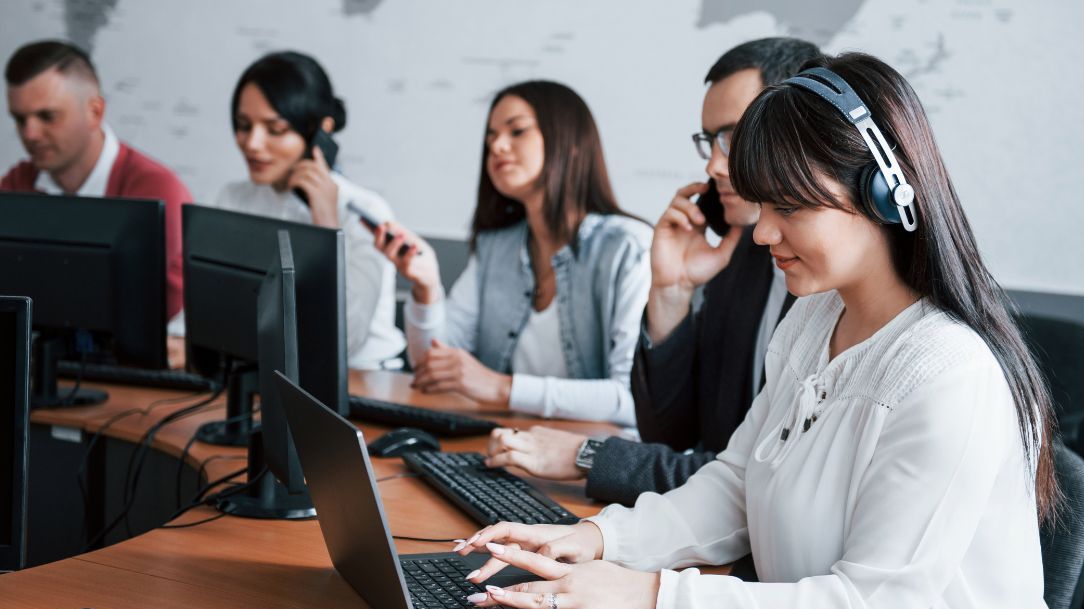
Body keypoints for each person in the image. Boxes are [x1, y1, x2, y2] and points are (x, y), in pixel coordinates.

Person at [452, 53, 1078, 609]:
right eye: (762, 206)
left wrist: (652, 596)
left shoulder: (947, 374)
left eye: (790, 208)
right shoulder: (814, 318)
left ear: (884, 194)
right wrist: (596, 539)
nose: (761, 233)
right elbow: (737, 485)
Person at [484, 38, 820, 504]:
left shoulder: (837, 291)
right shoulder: (741, 256)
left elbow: (757, 484)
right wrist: (671, 292)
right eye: (709, 141)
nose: (713, 164)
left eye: (734, 136)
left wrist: (588, 456)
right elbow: (671, 432)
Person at [374, 80, 650, 427]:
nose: (497, 146)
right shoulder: (496, 245)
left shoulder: (628, 247)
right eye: (491, 137)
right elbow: (432, 367)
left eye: (517, 131)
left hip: (589, 452)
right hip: (507, 442)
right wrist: (426, 287)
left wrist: (501, 388)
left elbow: (631, 399)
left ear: (571, 142)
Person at [200, 51, 404, 369]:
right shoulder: (234, 198)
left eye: (275, 129)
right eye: (243, 125)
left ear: (320, 132)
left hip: (363, 379)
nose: (252, 143)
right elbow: (209, 307)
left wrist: (326, 227)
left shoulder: (363, 212)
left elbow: (345, 339)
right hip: (265, 371)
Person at [3, 39, 190, 322]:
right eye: (20, 119)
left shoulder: (157, 192)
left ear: (95, 112)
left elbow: (142, 314)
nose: (30, 134)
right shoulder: (16, 186)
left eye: (47, 116)